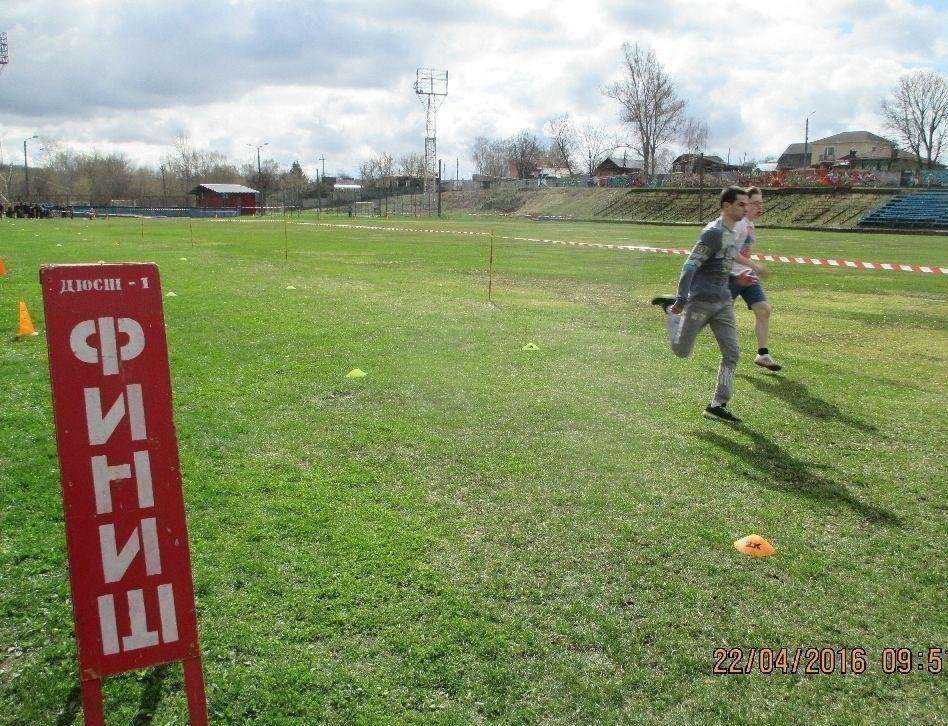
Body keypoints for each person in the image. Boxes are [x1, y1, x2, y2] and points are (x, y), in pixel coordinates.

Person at [650, 186, 748, 423]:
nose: (745, 209)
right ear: (726, 206)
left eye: (747, 204)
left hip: (723, 302)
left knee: (732, 353)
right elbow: (690, 266)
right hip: (701, 302)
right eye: (741, 204)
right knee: (681, 351)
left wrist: (738, 278)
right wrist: (681, 298)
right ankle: (671, 312)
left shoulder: (731, 233)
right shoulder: (712, 233)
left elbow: (720, 266)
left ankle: (718, 404)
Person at [731, 187, 780, 371]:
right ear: (745, 204)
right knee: (715, 316)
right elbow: (730, 252)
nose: (760, 207)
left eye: (761, 203)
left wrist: (750, 268)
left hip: (746, 275)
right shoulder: (738, 224)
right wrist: (754, 266)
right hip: (729, 276)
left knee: (764, 309)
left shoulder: (750, 225)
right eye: (756, 203)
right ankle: (679, 314)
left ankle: (763, 354)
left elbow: (744, 252)